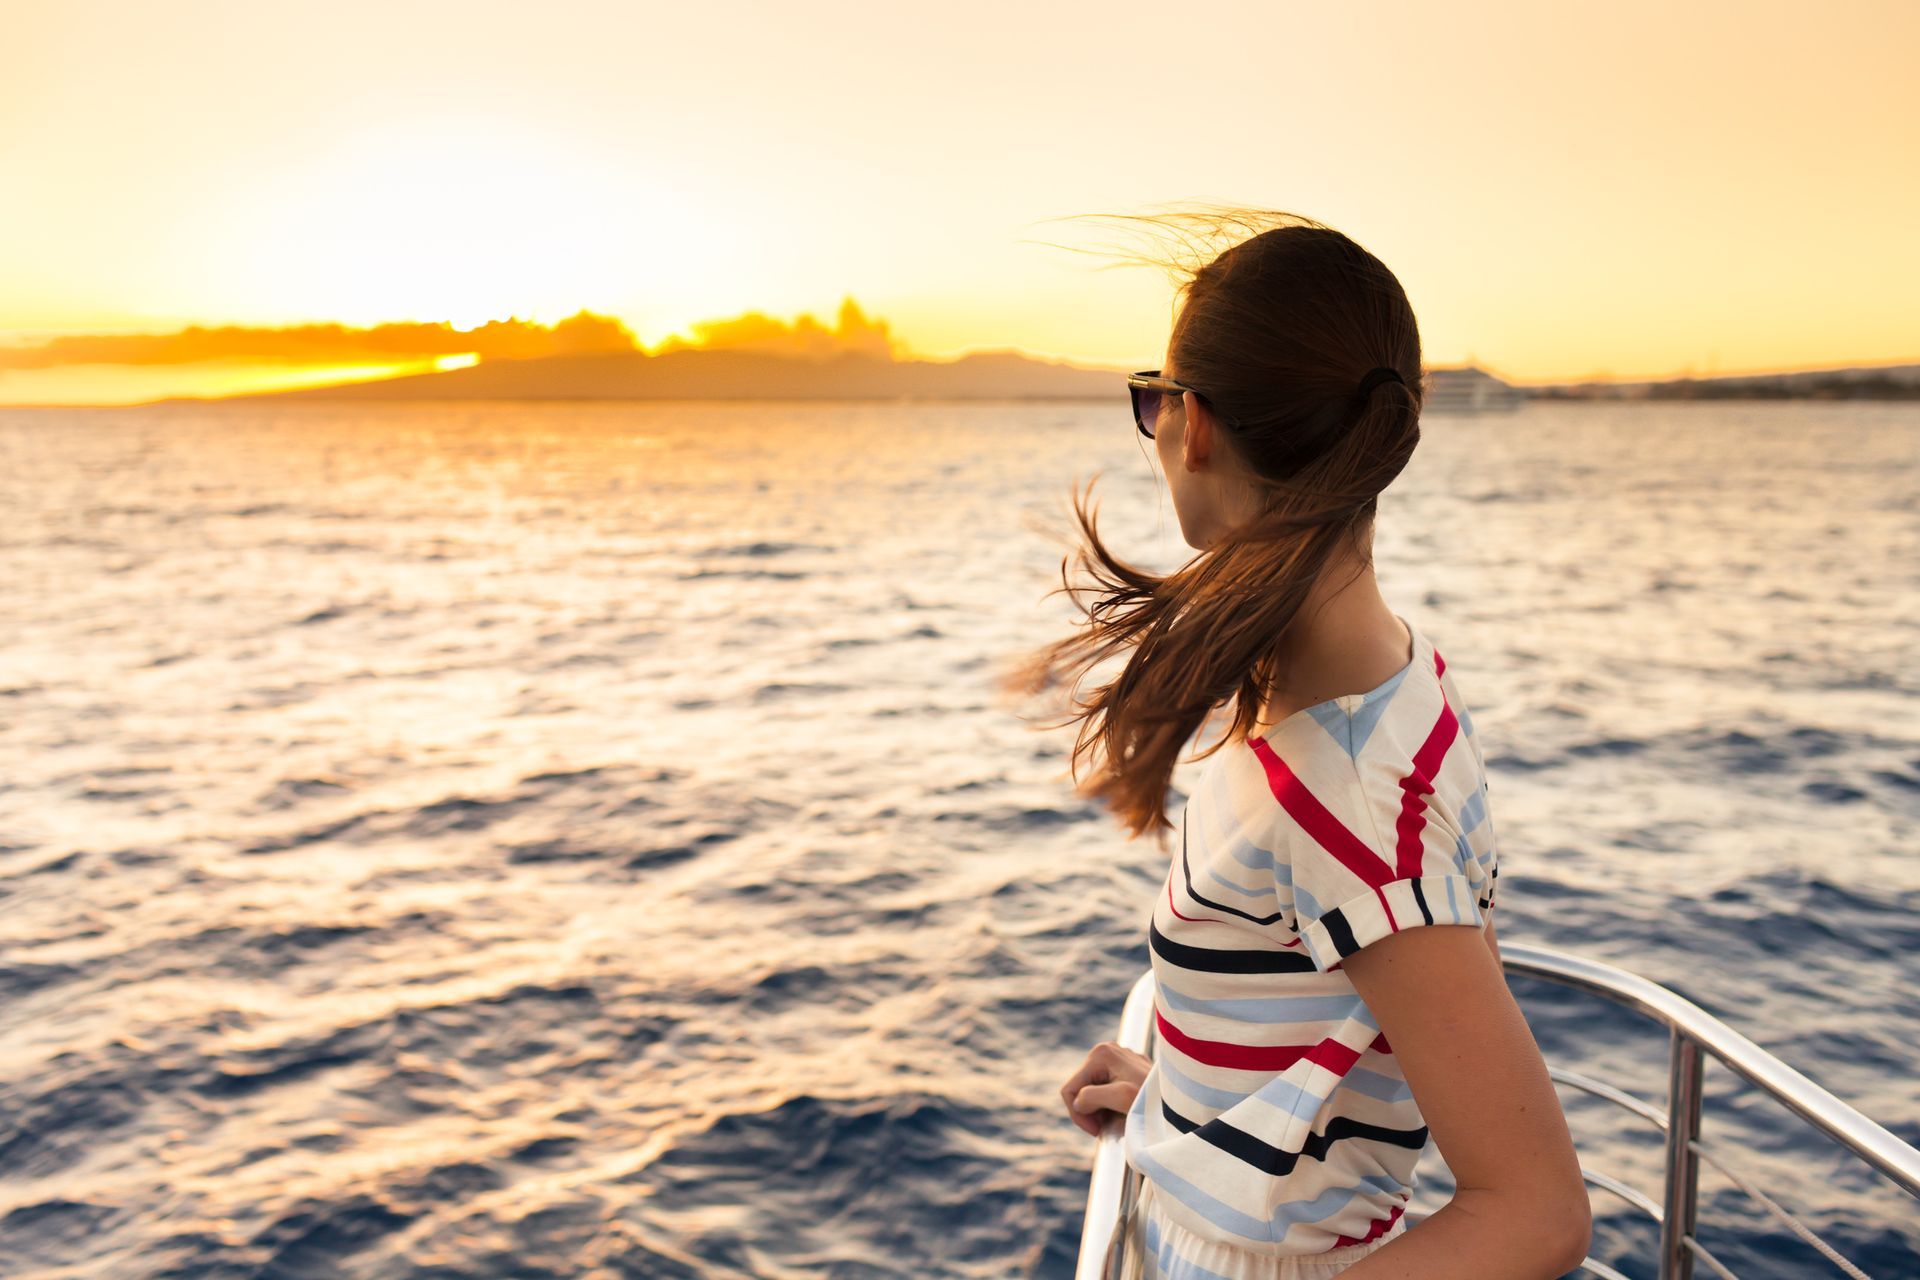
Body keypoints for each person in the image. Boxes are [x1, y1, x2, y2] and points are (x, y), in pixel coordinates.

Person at [1006, 209, 1591, 1278]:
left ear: (1194, 426)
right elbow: (1326, 1008)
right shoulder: (1388, 682)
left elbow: (1536, 1211)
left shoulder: (1347, 784)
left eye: (1155, 399)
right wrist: (1188, 1110)